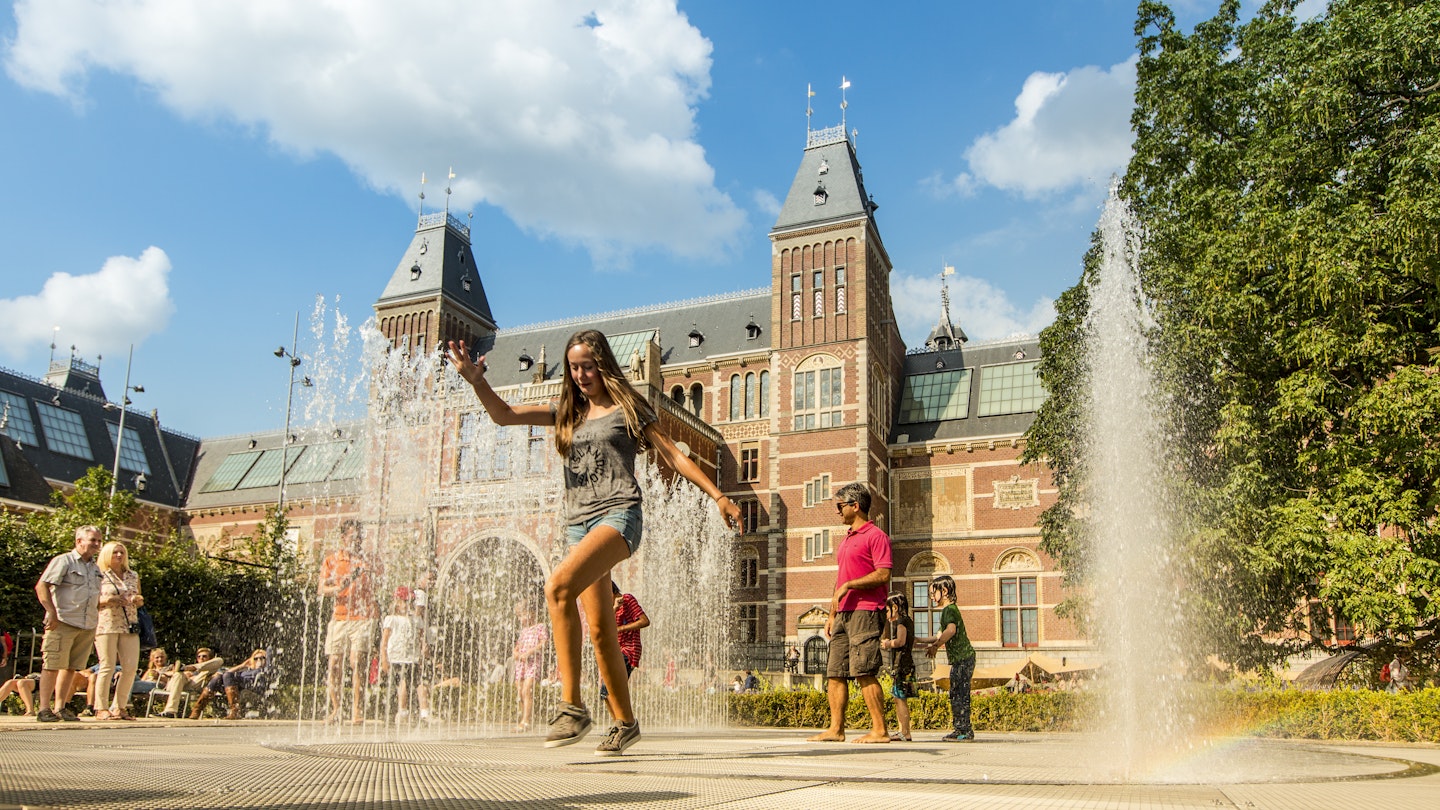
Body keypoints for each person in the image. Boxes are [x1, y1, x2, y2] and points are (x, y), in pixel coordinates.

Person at [446, 330, 739, 756]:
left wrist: (719, 496)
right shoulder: (566, 412)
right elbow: (505, 415)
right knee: (602, 632)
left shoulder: (628, 407)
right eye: (573, 367)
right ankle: (626, 721)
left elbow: (675, 455)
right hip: (577, 525)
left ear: (602, 364)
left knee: (556, 587)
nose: (580, 374)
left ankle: (573, 706)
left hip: (619, 515)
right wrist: (477, 381)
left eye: (587, 365)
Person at [807, 483, 892, 745]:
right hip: (843, 613)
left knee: (864, 670)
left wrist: (850, 585)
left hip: (866, 611)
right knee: (835, 672)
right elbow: (840, 580)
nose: (837, 511)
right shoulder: (846, 539)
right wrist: (832, 614)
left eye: (840, 506)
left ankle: (880, 730)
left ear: (855, 506)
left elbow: (884, 573)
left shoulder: (876, 536)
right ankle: (836, 729)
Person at [34, 525, 103, 723]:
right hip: (63, 621)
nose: (97, 545)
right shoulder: (64, 561)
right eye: (92, 540)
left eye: (98, 541)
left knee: (71, 668)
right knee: (52, 664)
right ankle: (44, 708)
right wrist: (51, 611)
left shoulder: (94, 567)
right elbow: (42, 585)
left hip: (86, 624)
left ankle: (61, 707)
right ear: (79, 541)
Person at [318, 519, 377, 725]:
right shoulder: (331, 561)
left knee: (357, 662)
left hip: (363, 617)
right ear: (344, 538)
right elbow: (321, 589)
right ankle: (336, 710)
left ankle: (357, 711)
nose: (358, 541)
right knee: (334, 663)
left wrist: (372, 574)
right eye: (353, 537)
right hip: (339, 617)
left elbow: (380, 582)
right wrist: (337, 588)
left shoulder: (368, 559)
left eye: (360, 537)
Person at [918, 574, 976, 742]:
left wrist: (936, 646)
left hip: (963, 658)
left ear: (944, 591)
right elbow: (939, 635)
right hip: (964, 659)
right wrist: (918, 640)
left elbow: (950, 631)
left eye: (932, 593)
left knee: (959, 694)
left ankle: (963, 730)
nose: (931, 598)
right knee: (957, 692)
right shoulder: (949, 611)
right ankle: (962, 729)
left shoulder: (949, 610)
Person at [93, 540, 144, 721]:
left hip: (129, 622)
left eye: (122, 552)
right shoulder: (99, 574)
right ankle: (101, 707)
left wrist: (137, 600)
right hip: (106, 623)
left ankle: (119, 707)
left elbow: (139, 597)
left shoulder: (132, 575)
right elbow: (91, 600)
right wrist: (108, 601)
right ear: (107, 554)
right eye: (115, 552)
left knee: (130, 667)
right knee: (106, 665)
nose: (119, 556)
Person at [599, 583, 649, 706]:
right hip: (618, 651)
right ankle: (620, 722)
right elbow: (605, 628)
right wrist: (615, 608)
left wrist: (620, 629)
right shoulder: (611, 608)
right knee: (605, 693)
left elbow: (645, 621)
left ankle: (624, 722)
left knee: (610, 689)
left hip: (629, 650)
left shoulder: (627, 599)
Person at [379, 587, 422, 723]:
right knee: (399, 684)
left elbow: (420, 639)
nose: (409, 605)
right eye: (405, 602)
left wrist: (421, 655)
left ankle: (409, 711)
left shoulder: (415, 620)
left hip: (411, 658)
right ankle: (399, 712)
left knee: (410, 684)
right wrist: (384, 659)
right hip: (396, 656)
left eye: (411, 602)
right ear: (397, 603)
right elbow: (384, 640)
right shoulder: (391, 619)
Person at [191, 649, 271, 720]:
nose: (259, 660)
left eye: (262, 658)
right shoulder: (246, 670)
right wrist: (242, 665)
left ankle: (235, 710)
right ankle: (197, 709)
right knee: (218, 677)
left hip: (252, 687)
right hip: (234, 689)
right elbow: (228, 673)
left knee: (225, 675)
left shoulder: (265, 671)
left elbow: (270, 652)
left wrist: (262, 665)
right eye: (256, 658)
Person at [881, 591, 917, 741]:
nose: (887, 614)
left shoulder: (901, 623)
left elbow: (901, 641)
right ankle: (903, 730)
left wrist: (888, 643)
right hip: (908, 664)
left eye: (887, 610)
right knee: (900, 698)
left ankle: (904, 732)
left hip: (901, 665)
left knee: (899, 698)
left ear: (894, 608)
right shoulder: (908, 621)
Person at [511, 600, 548, 733]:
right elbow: (517, 646)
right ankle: (524, 719)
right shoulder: (524, 631)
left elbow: (544, 643)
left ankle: (526, 721)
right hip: (521, 663)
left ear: (532, 614)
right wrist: (515, 653)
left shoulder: (540, 627)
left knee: (527, 690)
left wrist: (529, 652)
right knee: (520, 691)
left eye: (523, 615)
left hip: (533, 662)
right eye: (519, 617)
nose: (521, 619)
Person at [154, 647, 225, 717]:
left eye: (204, 656)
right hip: (176, 684)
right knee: (179, 674)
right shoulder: (172, 668)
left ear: (210, 659)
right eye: (199, 657)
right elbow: (163, 674)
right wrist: (185, 673)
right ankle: (170, 711)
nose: (201, 658)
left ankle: (170, 712)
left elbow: (219, 675)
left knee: (219, 660)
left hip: (195, 685)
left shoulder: (212, 670)